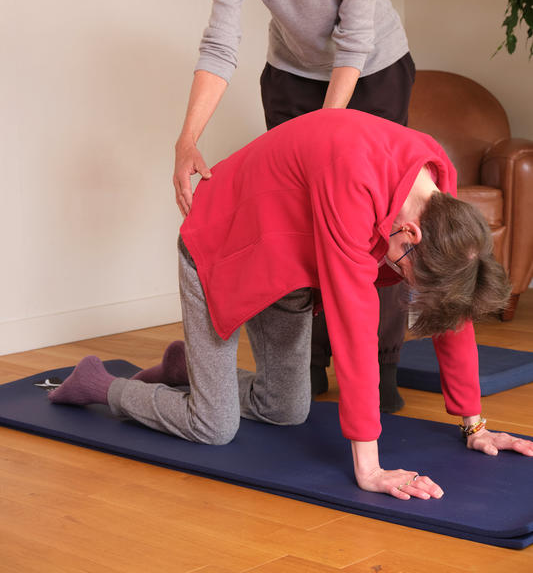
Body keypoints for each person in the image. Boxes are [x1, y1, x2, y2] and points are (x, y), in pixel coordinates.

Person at [49, 110, 533, 500]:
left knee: (286, 409)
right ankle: (99, 383)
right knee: (212, 427)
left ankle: (186, 367)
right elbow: (354, 331)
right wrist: (370, 468)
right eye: (410, 275)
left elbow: (454, 306)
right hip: (222, 245)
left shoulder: (440, 198)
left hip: (289, 265)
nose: (404, 284)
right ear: (410, 235)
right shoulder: (354, 182)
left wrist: (476, 424)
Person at [174, 0, 416, 409]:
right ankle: (303, 370)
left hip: (373, 71)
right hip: (290, 74)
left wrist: (322, 138)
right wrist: (187, 139)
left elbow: (353, 42)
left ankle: (379, 374)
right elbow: (221, 41)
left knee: (374, 230)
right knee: (291, 222)